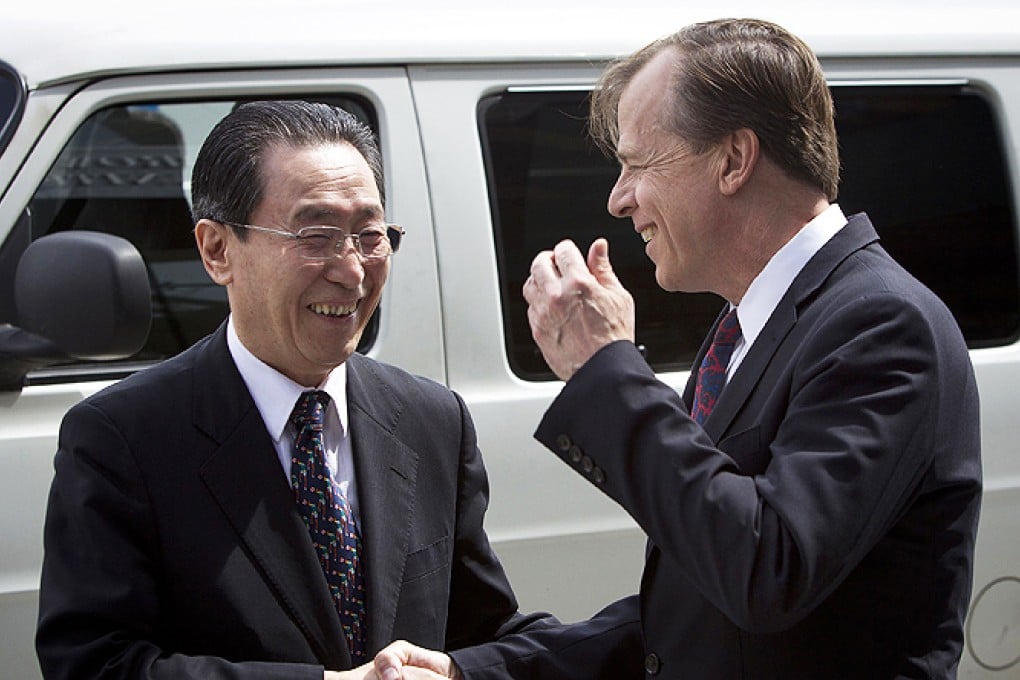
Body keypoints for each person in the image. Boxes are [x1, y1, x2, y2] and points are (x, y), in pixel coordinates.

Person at [374, 18, 983, 679]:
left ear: (733, 160)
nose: (618, 197)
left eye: (639, 163)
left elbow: (765, 569)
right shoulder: (742, 330)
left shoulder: (882, 324)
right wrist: (475, 671)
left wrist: (607, 371)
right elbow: (693, 606)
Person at [35, 100, 551, 680]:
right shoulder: (124, 438)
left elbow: (481, 631)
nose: (352, 271)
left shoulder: (431, 419)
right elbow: (94, 664)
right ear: (217, 250)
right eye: (317, 235)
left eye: (370, 235)